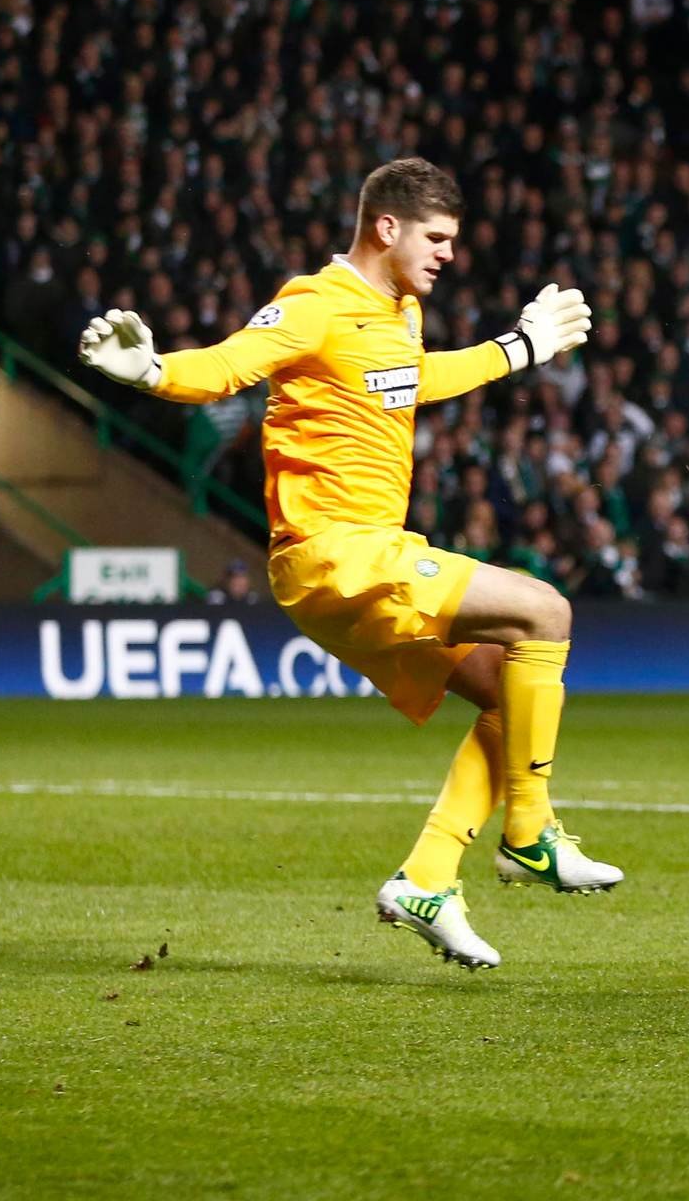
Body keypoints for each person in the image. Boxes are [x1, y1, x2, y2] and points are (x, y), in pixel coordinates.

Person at [79, 157, 621, 972]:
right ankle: (530, 832)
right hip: (338, 554)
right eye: (436, 239)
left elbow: (412, 381)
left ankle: (428, 880)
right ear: (387, 227)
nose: (446, 254)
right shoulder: (315, 303)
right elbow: (228, 364)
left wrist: (518, 348)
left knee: (508, 689)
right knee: (546, 612)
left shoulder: (397, 311)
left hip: (354, 565)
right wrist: (154, 372)